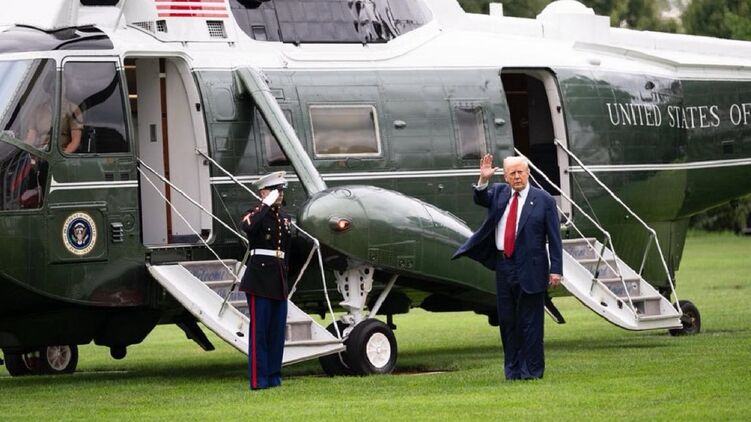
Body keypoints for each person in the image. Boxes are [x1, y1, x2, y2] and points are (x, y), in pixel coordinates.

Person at [453, 154, 562, 380]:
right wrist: (483, 179)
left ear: (528, 173)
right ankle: (512, 371)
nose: (517, 176)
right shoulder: (499, 193)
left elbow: (554, 238)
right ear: (505, 176)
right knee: (508, 321)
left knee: (531, 322)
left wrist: (556, 270)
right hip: (504, 265)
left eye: (521, 172)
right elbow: (480, 198)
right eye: (512, 173)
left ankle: (532, 371)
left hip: (532, 268)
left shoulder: (544, 200)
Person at [239, 171, 293, 390]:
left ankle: (274, 377)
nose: (280, 194)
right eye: (275, 190)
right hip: (259, 279)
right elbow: (249, 227)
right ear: (263, 192)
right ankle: (259, 379)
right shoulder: (254, 213)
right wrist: (265, 204)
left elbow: (287, 251)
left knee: (277, 333)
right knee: (259, 332)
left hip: (278, 279)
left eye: (281, 190)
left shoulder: (284, 218)